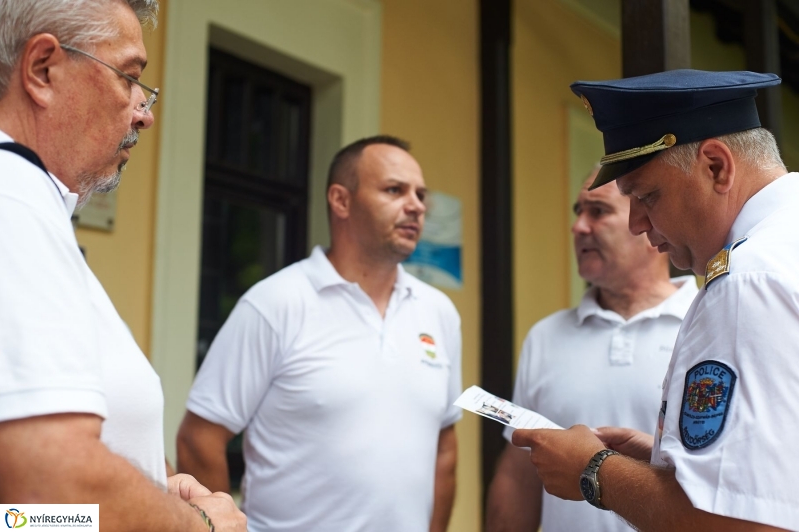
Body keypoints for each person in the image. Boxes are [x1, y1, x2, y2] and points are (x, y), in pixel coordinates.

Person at [512, 69, 798, 531]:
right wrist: (662, 456)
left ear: (716, 166)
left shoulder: (748, 281)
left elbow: (741, 523)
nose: (637, 224)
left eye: (646, 196)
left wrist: (595, 471)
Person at [0, 1, 245, 530]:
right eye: (129, 78)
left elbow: (18, 518)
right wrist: (200, 526)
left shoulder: (31, 203)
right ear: (43, 69)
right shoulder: (12, 196)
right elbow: (46, 496)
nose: (145, 112)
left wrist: (157, 495)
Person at [177, 135, 462, 532]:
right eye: (395, 190)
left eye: (420, 194)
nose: (416, 205)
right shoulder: (275, 303)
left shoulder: (439, 313)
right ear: (341, 200)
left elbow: (444, 444)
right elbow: (199, 438)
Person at [486, 167, 698, 532]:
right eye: (578, 211)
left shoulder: (704, 325)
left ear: (646, 220)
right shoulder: (546, 336)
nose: (578, 227)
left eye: (598, 211)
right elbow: (519, 472)